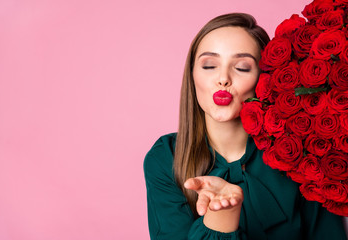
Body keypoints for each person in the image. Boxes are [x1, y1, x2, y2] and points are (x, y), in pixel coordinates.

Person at [143, 13, 347, 240]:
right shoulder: (166, 156)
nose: (223, 78)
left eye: (241, 67)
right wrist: (222, 215)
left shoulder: (301, 154)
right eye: (209, 65)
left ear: (263, 78)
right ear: (192, 76)